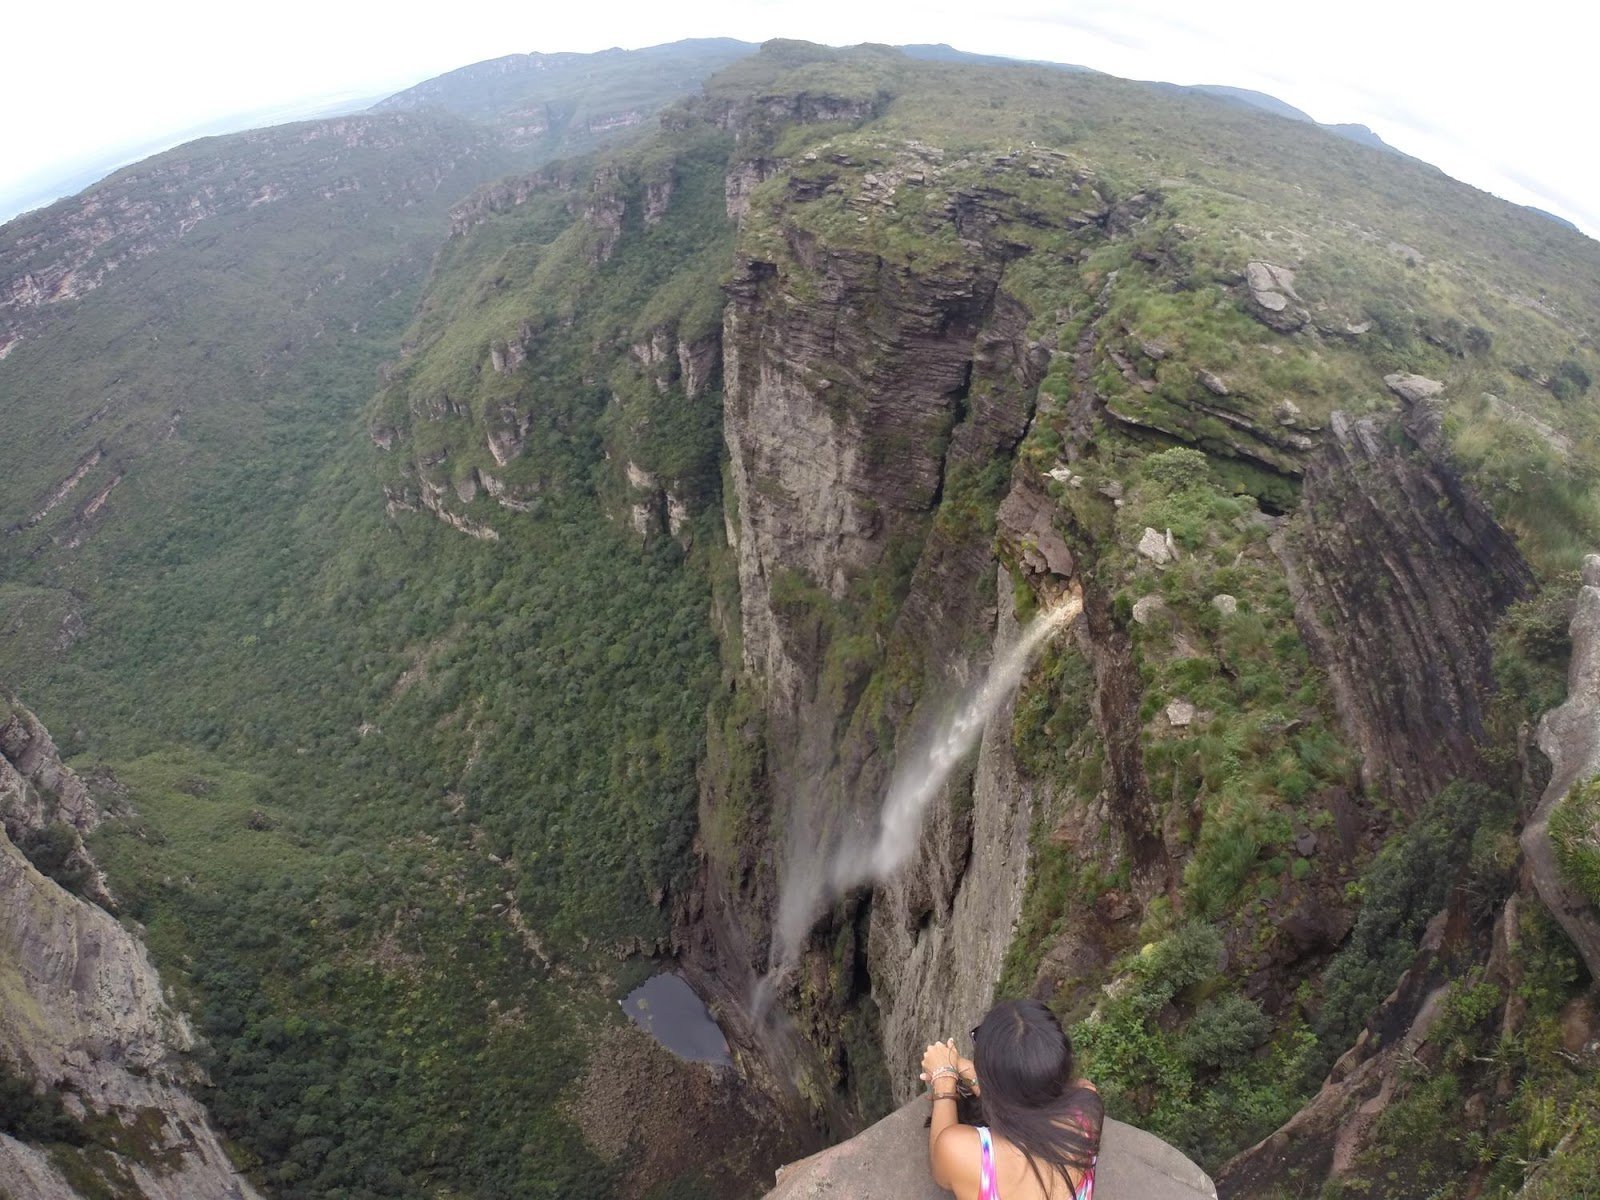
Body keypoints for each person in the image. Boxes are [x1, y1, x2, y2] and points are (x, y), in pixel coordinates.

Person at [920, 999, 1103, 1199]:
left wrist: (943, 1079)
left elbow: (942, 1174)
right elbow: (1025, 1097)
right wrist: (964, 1067)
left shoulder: (961, 1152)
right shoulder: (1087, 1110)